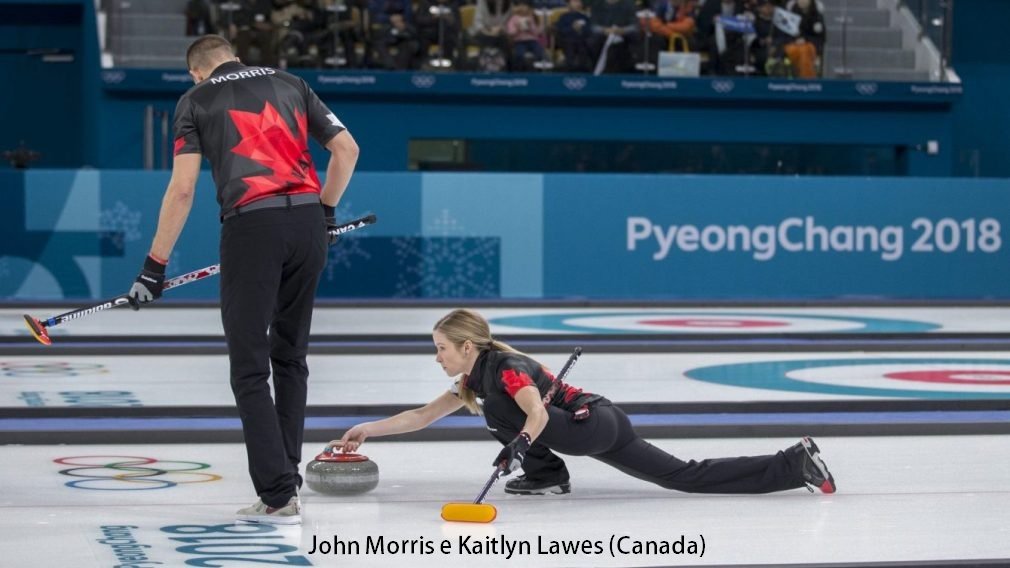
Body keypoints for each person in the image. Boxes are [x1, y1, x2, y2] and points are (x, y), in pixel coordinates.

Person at [127, 34, 360, 525]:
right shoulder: (291, 83)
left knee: (250, 367)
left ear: (196, 71)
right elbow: (347, 150)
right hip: (307, 225)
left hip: (252, 225)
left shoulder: (195, 99)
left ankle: (277, 494)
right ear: (233, 56)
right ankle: (286, 483)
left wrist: (154, 265)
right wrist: (327, 216)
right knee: (291, 356)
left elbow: (184, 188)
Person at [331, 309, 836, 497]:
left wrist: (519, 448)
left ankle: (549, 475)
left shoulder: (505, 370)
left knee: (500, 411)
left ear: (467, 346)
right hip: (600, 423)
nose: (436, 356)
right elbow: (421, 416)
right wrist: (367, 430)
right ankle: (795, 464)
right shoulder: (474, 377)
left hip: (587, 423)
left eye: (440, 347)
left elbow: (531, 411)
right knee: (682, 475)